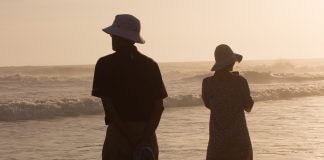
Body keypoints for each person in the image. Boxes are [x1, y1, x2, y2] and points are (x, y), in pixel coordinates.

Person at [92, 14, 168, 160]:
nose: (111, 39)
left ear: (120, 38)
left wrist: (128, 136)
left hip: (119, 134)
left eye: (113, 36)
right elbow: (159, 107)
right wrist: (144, 138)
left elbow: (109, 106)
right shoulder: (150, 65)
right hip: (147, 133)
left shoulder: (105, 64)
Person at [202, 44, 254, 160]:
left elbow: (209, 105)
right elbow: (248, 107)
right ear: (231, 62)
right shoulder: (240, 82)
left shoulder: (207, 83)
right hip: (240, 141)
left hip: (217, 143)